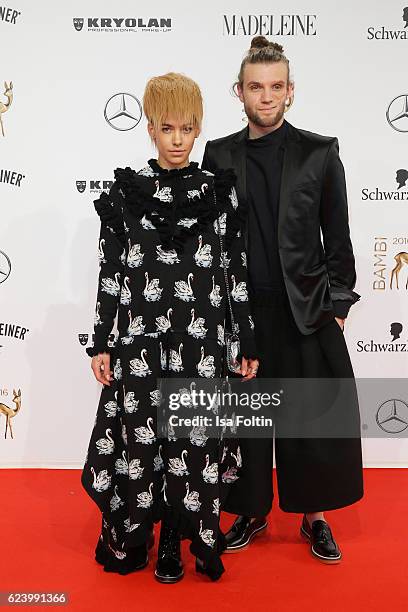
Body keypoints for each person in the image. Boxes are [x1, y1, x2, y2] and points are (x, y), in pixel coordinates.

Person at [81, 72, 259, 582]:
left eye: (187, 128)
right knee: (143, 444)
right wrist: (101, 341)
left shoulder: (218, 193)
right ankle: (145, 538)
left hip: (202, 341)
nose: (178, 140)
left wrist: (244, 339)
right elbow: (110, 271)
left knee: (195, 445)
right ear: (150, 129)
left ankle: (180, 544)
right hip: (140, 344)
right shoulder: (125, 193)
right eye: (167, 128)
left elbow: (236, 272)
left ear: (199, 128)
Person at [202, 37, 364, 564]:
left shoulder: (321, 152)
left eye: (276, 87)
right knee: (246, 425)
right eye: (256, 87)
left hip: (306, 310)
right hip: (245, 314)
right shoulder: (219, 154)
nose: (266, 96)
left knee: (310, 421)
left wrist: (336, 307)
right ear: (239, 92)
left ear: (290, 91)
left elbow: (337, 240)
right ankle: (250, 514)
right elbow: (211, 241)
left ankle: (314, 518)